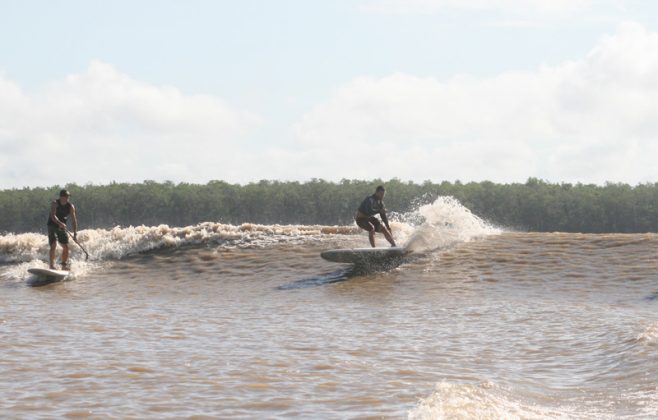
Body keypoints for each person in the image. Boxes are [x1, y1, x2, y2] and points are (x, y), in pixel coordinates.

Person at [47, 189, 78, 270]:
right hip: (52, 225)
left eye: (68, 197)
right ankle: (51, 265)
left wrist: (75, 234)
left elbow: (73, 220)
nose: (67, 198)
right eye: (65, 196)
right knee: (53, 244)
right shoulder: (55, 203)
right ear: (61, 197)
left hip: (62, 226)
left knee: (66, 247)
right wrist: (60, 223)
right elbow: (53, 216)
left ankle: (63, 264)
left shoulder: (71, 206)